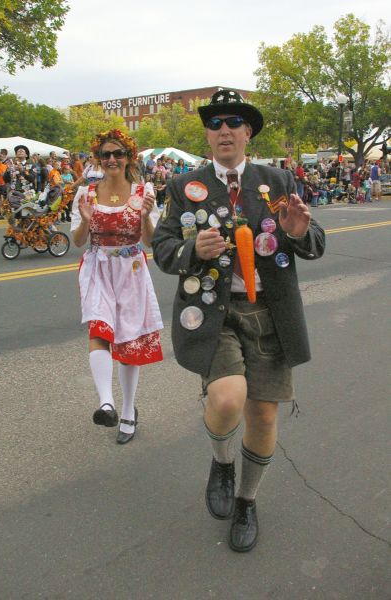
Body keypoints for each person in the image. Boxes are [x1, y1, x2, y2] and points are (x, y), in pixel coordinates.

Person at [152, 89, 325, 553]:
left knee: (264, 414)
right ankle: (221, 462)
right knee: (228, 399)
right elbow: (163, 250)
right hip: (215, 313)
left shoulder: (278, 179)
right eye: (214, 123)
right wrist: (192, 250)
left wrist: (299, 232)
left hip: (271, 311)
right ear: (208, 135)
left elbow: (314, 240)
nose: (223, 129)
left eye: (233, 121)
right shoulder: (183, 185)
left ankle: (247, 501)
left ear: (248, 131)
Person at [71, 129, 163, 444]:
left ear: (128, 158)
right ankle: (106, 403)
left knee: (129, 343)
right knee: (99, 329)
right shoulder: (87, 193)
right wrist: (85, 219)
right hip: (98, 267)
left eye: (118, 154)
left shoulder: (144, 192)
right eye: (106, 154)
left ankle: (127, 410)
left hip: (133, 270)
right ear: (98, 158)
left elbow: (151, 242)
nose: (112, 159)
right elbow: (78, 241)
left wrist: (148, 216)